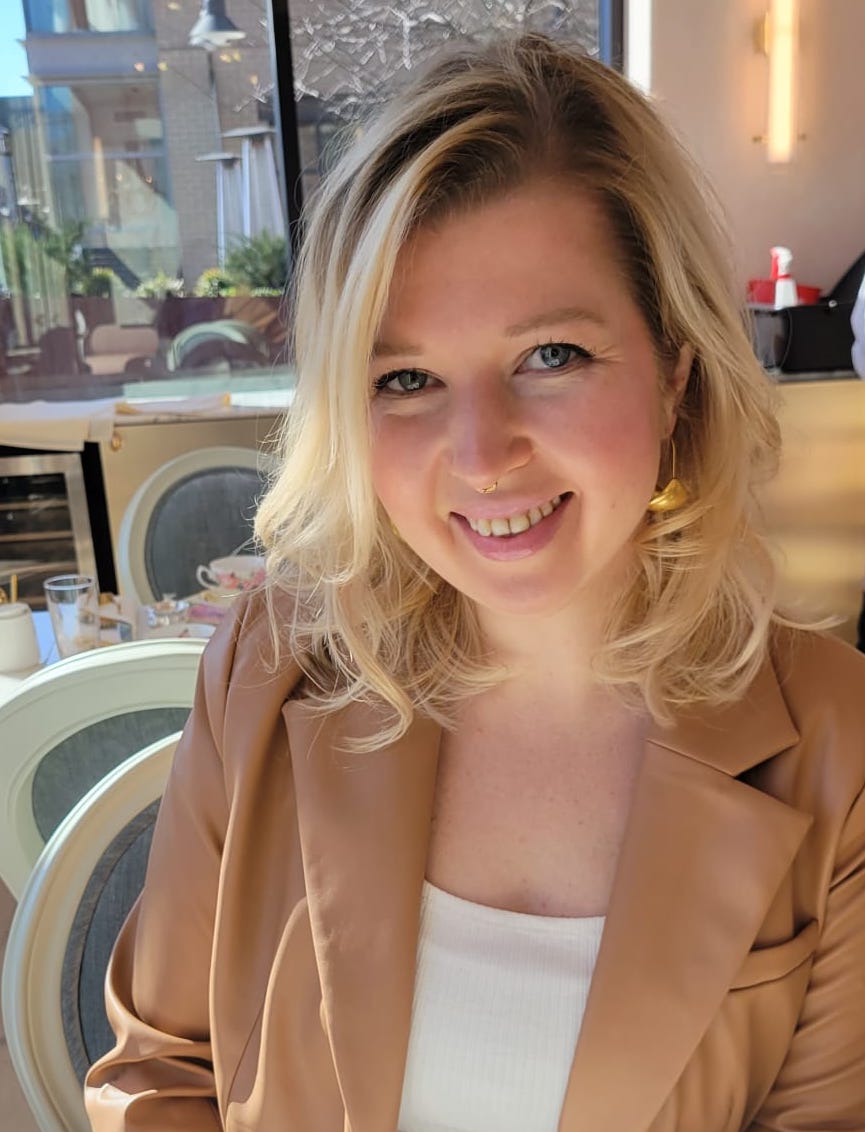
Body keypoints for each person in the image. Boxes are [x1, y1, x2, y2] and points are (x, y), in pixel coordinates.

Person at [85, 33, 865, 1132]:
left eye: (551, 355)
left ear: (674, 371)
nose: (481, 453)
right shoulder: (267, 669)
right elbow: (160, 1073)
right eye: (405, 377)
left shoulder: (835, 740)